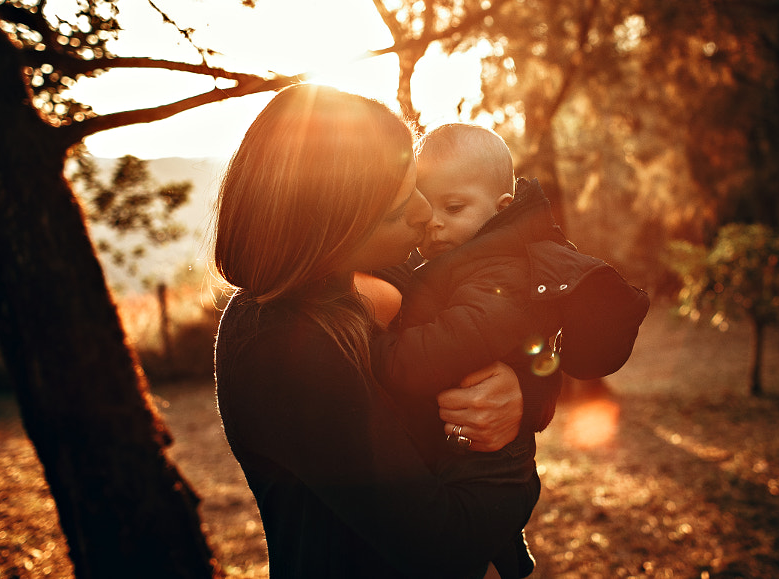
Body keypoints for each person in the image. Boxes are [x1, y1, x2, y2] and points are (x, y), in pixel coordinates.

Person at [212, 85, 557, 578]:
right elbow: (441, 547)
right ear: (330, 231)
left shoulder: (397, 273)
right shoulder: (277, 344)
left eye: (414, 183)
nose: (424, 213)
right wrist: (514, 451)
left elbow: (516, 332)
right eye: (396, 211)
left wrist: (524, 394)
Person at [360, 124, 651, 577]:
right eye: (424, 205)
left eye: (453, 207)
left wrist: (380, 352)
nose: (432, 221)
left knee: (460, 551)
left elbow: (449, 344)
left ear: (501, 208)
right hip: (468, 457)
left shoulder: (503, 272)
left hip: (489, 464)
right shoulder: (455, 262)